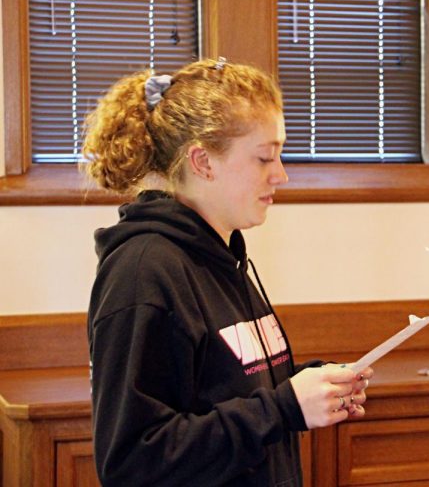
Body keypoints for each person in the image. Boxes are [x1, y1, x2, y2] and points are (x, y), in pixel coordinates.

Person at [83, 58, 373, 486]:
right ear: (202, 162)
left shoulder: (224, 256)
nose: (282, 175)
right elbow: (132, 462)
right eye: (264, 158)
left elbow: (227, 390)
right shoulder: (143, 273)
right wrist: (283, 408)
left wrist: (311, 385)